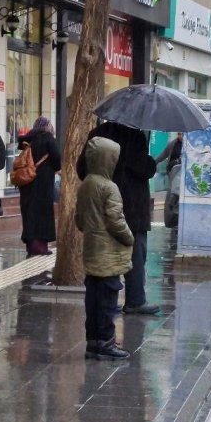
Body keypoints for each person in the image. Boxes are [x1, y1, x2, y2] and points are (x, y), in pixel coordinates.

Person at [77, 121, 160, 315]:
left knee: (103, 252)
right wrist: (151, 161)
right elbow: (143, 169)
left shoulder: (96, 135)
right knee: (136, 253)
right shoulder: (135, 136)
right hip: (132, 206)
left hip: (100, 205)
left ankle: (105, 299)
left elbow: (81, 169)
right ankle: (135, 300)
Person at [76, 136, 134, 360]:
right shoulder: (109, 187)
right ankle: (106, 342)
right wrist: (129, 238)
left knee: (93, 300)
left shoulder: (86, 184)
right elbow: (116, 221)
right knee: (108, 301)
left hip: (92, 250)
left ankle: (93, 341)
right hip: (108, 254)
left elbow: (79, 220)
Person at [17, 116, 62, 257]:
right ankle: (40, 248)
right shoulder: (48, 138)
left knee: (29, 212)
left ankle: (31, 246)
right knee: (42, 213)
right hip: (42, 182)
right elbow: (57, 160)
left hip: (26, 181)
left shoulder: (26, 139)